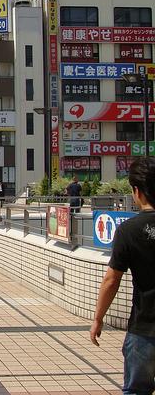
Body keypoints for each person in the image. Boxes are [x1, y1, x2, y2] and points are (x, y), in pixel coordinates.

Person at [90, 158, 155, 394]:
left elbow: (111, 280)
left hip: (144, 327)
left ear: (136, 191)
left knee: (137, 390)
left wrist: (98, 318)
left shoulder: (128, 230)